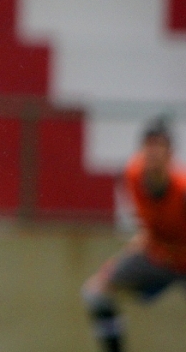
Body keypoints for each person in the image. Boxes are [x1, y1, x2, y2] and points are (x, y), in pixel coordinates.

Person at [82, 117, 186, 352]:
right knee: (96, 292)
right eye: (149, 145)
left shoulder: (181, 190)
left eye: (160, 147)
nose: (154, 153)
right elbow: (150, 223)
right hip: (157, 255)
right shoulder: (132, 175)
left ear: (171, 155)